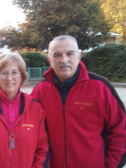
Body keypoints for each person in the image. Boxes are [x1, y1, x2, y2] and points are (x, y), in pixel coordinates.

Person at [31, 35, 126, 168]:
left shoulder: (100, 87)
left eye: (70, 54)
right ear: (49, 60)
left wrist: (111, 165)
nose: (64, 60)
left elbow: (121, 129)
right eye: (57, 55)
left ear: (79, 56)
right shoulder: (40, 91)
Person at [0, 52, 49, 167]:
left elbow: (42, 150)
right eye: (4, 73)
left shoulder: (36, 109)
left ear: (22, 77)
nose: (9, 78)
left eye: (15, 73)